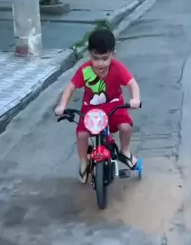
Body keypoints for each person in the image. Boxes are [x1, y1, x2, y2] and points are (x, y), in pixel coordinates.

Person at [55, 28, 141, 183]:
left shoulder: (117, 68)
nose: (100, 63)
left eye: (105, 58)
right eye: (95, 58)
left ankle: (125, 151)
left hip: (114, 108)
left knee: (126, 127)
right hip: (91, 111)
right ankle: (84, 162)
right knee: (82, 135)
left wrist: (135, 98)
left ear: (113, 54)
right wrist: (62, 105)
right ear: (89, 54)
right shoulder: (85, 70)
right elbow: (71, 87)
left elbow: (132, 84)